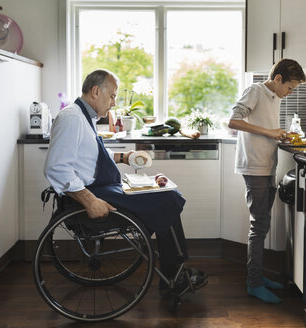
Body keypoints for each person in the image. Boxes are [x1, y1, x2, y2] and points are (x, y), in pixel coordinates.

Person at [44, 68, 207, 293]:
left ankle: (175, 271)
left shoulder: (84, 116)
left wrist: (125, 157)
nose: (113, 103)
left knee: (165, 192)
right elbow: (56, 168)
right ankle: (175, 275)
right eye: (111, 96)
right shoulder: (72, 118)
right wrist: (90, 201)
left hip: (102, 187)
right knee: (169, 198)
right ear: (95, 91)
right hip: (93, 194)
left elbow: (91, 157)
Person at [228, 59, 306, 304]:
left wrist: (280, 132)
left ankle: (258, 277)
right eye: (290, 87)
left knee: (262, 224)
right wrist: (271, 132)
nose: (290, 93)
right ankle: (254, 283)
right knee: (259, 226)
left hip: (266, 164)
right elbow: (233, 120)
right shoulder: (255, 91)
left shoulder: (274, 97)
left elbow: (263, 125)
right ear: (279, 78)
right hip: (254, 166)